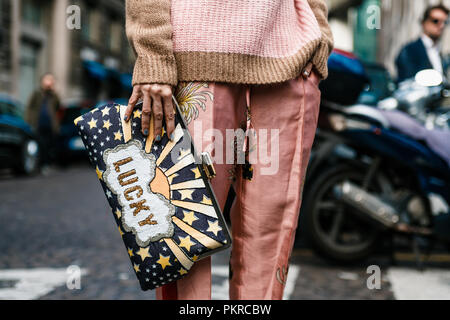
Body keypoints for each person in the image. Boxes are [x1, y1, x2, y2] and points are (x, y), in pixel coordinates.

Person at [124, 0, 333, 300]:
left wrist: (319, 31)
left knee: (271, 226)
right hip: (195, 61)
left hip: (291, 62)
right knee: (185, 229)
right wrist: (153, 56)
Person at [396, 4, 449, 83]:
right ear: (424, 22)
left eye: (445, 22)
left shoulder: (441, 53)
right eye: (436, 21)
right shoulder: (409, 51)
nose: (441, 26)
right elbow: (407, 83)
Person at [25, 73, 61, 169]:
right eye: (47, 80)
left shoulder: (53, 95)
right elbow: (29, 107)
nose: (49, 82)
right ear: (42, 82)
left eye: (51, 80)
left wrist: (54, 92)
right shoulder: (37, 93)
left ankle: (46, 164)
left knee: (49, 145)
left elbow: (58, 106)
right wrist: (28, 121)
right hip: (38, 124)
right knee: (40, 144)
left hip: (50, 125)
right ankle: (40, 164)